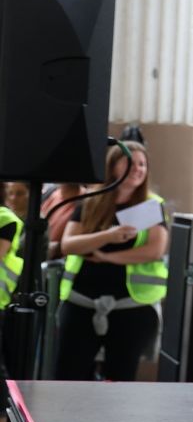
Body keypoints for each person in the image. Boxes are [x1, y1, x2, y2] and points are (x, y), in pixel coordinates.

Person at [53, 142, 169, 381]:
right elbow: (68, 244)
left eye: (142, 164)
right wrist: (108, 236)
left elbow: (155, 250)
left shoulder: (151, 205)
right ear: (112, 165)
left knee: (120, 379)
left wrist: (107, 256)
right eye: (130, 162)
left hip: (131, 306)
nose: (138, 169)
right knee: (69, 375)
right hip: (81, 302)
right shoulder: (90, 201)